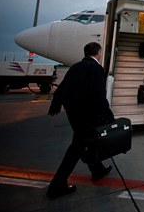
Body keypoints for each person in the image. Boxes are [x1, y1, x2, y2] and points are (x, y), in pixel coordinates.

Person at [46, 42, 115, 199]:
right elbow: (99, 96)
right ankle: (57, 185)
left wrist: (56, 105)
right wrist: (108, 116)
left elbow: (62, 88)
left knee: (87, 142)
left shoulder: (75, 66)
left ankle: (97, 170)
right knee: (77, 148)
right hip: (88, 115)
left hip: (75, 114)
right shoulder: (95, 69)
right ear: (98, 53)